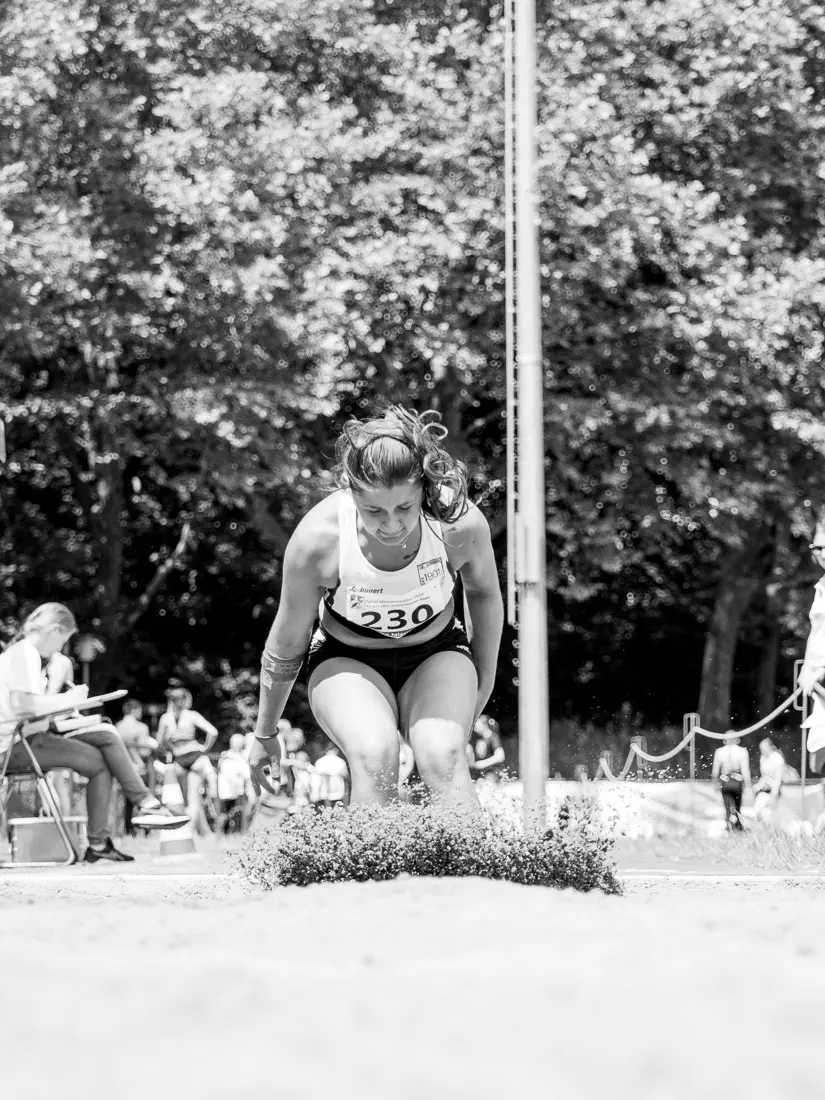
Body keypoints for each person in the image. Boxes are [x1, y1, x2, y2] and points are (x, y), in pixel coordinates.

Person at [249, 406, 503, 815]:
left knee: (442, 753)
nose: (391, 525)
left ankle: (476, 875)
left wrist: (482, 684)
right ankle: (372, 875)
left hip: (437, 653)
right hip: (346, 660)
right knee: (375, 753)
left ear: (424, 490)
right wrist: (264, 733)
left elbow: (484, 594)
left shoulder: (458, 523)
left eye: (404, 508)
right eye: (374, 512)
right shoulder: (318, 540)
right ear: (351, 494)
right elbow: (286, 643)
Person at [0, 603, 189, 862]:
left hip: (26, 737)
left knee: (105, 736)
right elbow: (25, 706)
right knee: (103, 751)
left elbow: (30, 710)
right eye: (63, 640)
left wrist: (71, 711)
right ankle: (129, 817)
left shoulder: (21, 654)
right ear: (54, 630)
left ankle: (139, 810)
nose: (60, 649)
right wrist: (69, 701)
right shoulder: (25, 654)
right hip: (14, 746)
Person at [157, 686, 219, 829]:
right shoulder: (192, 715)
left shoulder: (165, 718)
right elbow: (213, 732)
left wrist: (170, 748)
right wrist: (205, 748)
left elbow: (160, 742)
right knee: (193, 799)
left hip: (178, 758)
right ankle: (192, 833)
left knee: (184, 799)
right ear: (185, 700)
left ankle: (193, 831)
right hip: (195, 756)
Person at [711, 735, 751, 832]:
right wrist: (747, 784)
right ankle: (737, 826)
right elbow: (745, 770)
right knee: (737, 806)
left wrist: (715, 783)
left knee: (727, 806)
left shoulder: (720, 751)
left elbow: (715, 771)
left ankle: (730, 825)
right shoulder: (741, 751)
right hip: (736, 782)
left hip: (726, 782)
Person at [217, 733, 254, 833]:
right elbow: (230, 773)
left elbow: (246, 772)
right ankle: (220, 833)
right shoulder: (227, 756)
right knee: (225, 812)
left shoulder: (240, 756)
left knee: (236, 811)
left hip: (238, 791)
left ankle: (235, 831)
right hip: (228, 791)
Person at [753, 738, 785, 825]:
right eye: (761, 749)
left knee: (770, 813)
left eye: (764, 748)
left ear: (770, 747)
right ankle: (765, 829)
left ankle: (771, 831)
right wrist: (759, 785)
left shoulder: (777, 758)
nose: (762, 751)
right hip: (764, 789)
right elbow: (764, 775)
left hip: (773, 788)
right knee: (759, 811)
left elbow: (778, 777)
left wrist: (774, 791)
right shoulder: (763, 758)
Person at [467, 714, 506, 781]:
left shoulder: (492, 737)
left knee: (488, 781)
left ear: (484, 725)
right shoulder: (475, 738)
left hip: (491, 772)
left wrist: (482, 764)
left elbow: (500, 756)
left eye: (477, 724)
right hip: (478, 773)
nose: (475, 727)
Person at [313, 741, 350, 809]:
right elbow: (346, 776)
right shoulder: (340, 762)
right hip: (338, 792)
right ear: (336, 749)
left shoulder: (320, 762)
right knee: (338, 813)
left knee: (325, 813)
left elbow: (315, 780)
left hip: (324, 793)